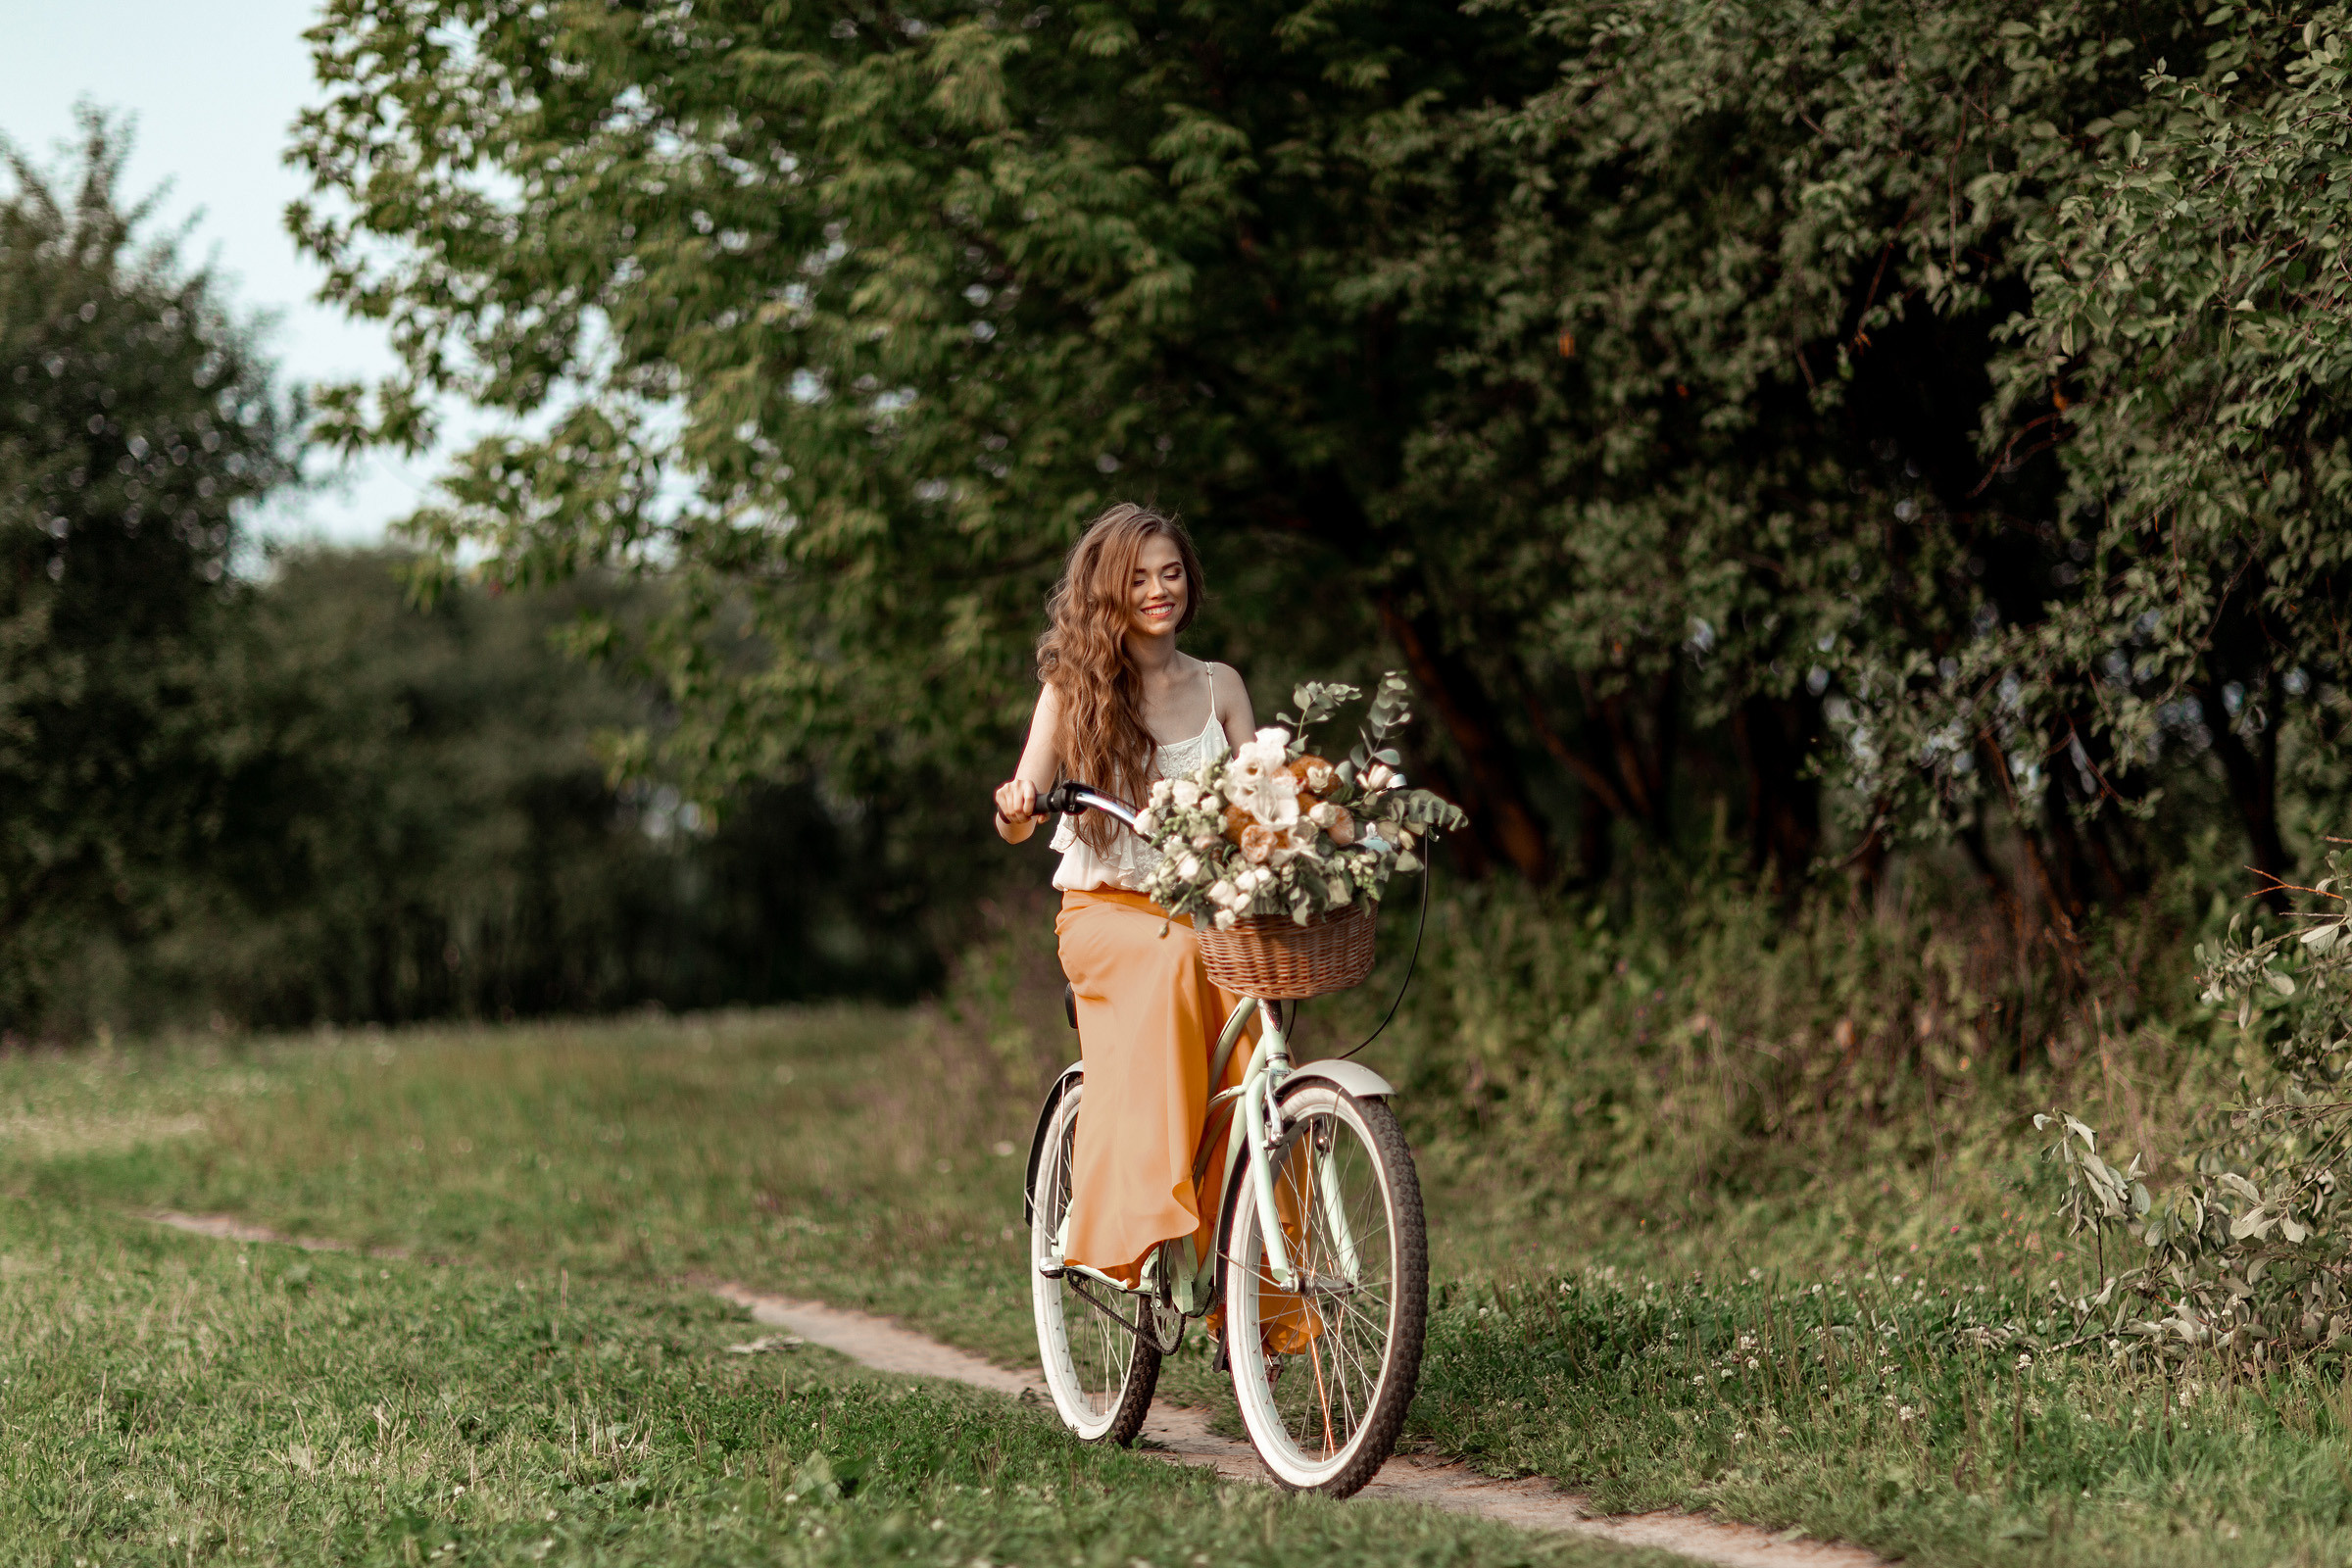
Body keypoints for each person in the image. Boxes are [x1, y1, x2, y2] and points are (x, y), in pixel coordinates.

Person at [992, 503, 1262, 1291]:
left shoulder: (1221, 687)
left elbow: (1267, 797)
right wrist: (1016, 803)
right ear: (1108, 593)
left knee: (1254, 1025)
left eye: (1170, 572)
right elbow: (1023, 802)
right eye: (1138, 578)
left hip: (1208, 916)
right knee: (1179, 957)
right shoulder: (1073, 690)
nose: (1158, 589)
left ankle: (1247, 1276)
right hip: (1108, 916)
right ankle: (1145, 1220)